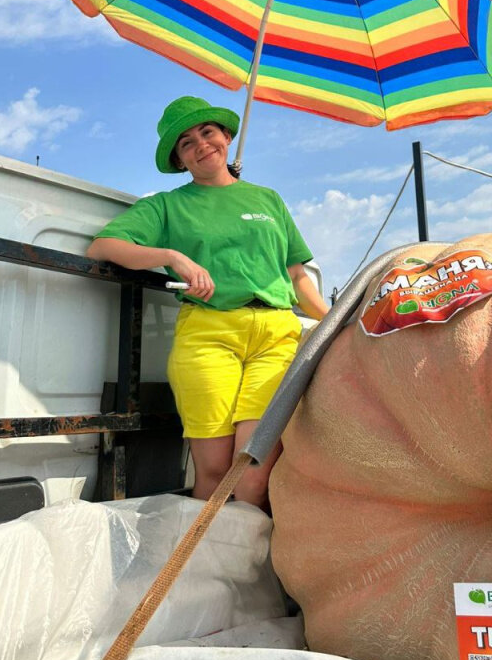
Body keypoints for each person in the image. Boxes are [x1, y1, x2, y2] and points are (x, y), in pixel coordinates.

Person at [86, 95, 329, 508]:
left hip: (275, 338)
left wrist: (335, 323)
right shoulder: (166, 206)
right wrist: (171, 257)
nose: (200, 144)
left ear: (226, 136)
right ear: (180, 160)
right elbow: (103, 246)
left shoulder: (268, 199)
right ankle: (207, 568)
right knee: (214, 470)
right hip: (207, 335)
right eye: (186, 142)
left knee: (254, 467)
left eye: (207, 132)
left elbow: (297, 275)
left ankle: (242, 568)